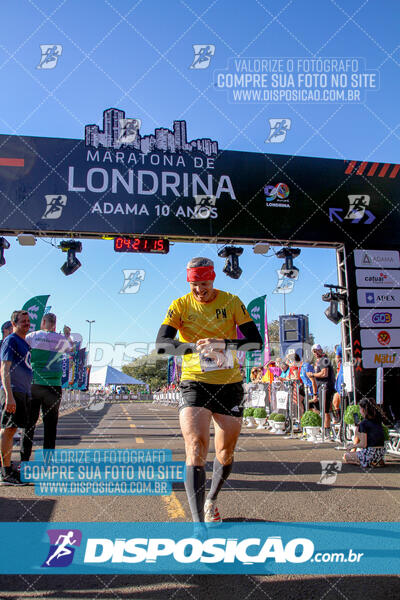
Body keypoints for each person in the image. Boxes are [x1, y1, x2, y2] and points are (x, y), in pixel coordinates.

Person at [156, 257, 263, 523]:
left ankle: (211, 500)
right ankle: (197, 525)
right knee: (195, 446)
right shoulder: (180, 305)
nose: (199, 290)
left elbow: (255, 343)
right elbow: (162, 345)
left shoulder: (231, 301)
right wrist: (193, 348)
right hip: (195, 382)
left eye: (203, 284)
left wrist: (224, 343)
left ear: (213, 279)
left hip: (229, 384)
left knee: (225, 452)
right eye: (194, 284)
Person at [21, 313, 73, 463]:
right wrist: (68, 335)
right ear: (55, 324)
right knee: (50, 425)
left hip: (34, 384)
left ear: (43, 322)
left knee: (29, 424)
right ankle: (47, 461)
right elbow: (72, 350)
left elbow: (21, 348)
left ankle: (24, 459)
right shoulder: (60, 338)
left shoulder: (33, 336)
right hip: (53, 387)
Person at [0, 310, 32, 485]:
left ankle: (8, 467)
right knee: (8, 429)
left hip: (23, 392)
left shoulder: (24, 343)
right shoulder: (11, 340)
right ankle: (5, 473)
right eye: (23, 321)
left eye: (28, 321)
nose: (27, 324)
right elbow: (4, 368)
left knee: (12, 430)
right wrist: (9, 396)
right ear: (14, 323)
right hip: (13, 391)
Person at [343, 398, 386, 468]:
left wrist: (352, 446)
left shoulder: (364, 423)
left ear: (363, 410)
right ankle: (374, 461)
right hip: (381, 452)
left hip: (370, 453)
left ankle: (363, 462)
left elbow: (363, 444)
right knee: (355, 456)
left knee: (346, 456)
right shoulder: (378, 420)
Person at [306, 343, 335, 431]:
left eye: (316, 351)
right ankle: (324, 428)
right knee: (323, 409)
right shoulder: (320, 360)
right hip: (322, 387)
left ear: (320, 350)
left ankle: (326, 431)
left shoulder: (324, 360)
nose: (315, 353)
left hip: (325, 387)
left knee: (325, 410)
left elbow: (324, 373)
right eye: (313, 352)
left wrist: (312, 375)